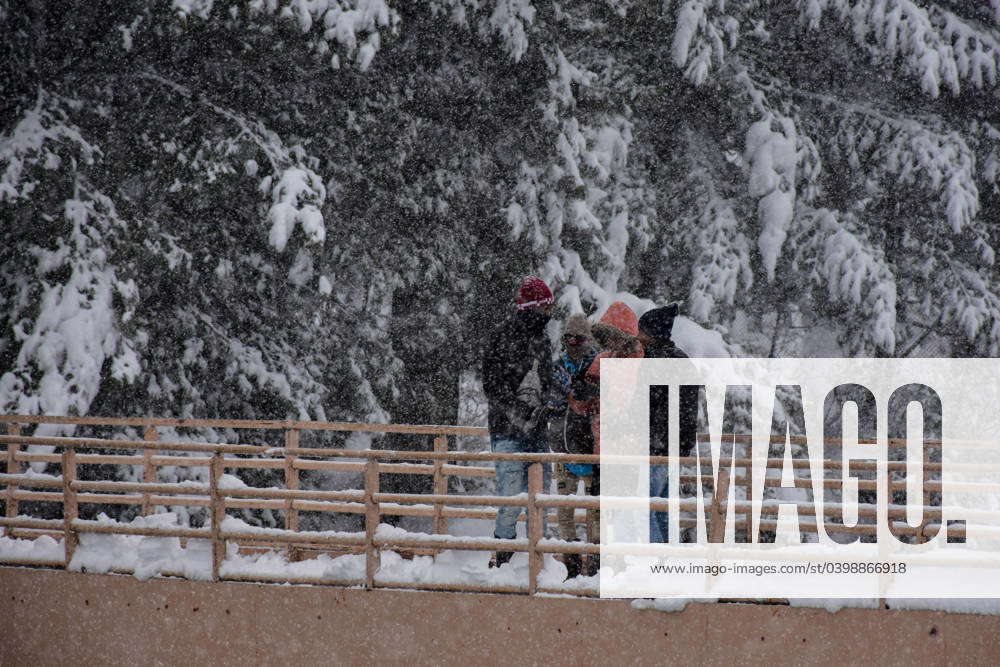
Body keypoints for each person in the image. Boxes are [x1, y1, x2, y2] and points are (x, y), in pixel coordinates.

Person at [482, 276, 557, 569]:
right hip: (507, 430)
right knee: (510, 497)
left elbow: (548, 380)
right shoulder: (500, 337)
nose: (550, 315)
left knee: (541, 498)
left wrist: (549, 402)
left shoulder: (543, 340)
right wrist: (517, 409)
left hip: (538, 432)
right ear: (533, 308)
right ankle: (504, 556)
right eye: (546, 308)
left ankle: (540, 559)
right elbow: (492, 386)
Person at [567, 301, 645, 575]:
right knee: (601, 507)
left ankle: (621, 562)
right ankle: (600, 562)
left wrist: (602, 387)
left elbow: (626, 396)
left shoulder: (639, 359)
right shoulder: (602, 360)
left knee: (623, 508)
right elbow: (584, 405)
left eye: (615, 335)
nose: (611, 341)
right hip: (601, 446)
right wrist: (579, 393)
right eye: (607, 335)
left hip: (627, 446)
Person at [638, 303, 698, 543]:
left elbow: (649, 405)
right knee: (662, 507)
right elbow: (686, 411)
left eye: (642, 331)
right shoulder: (680, 360)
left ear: (652, 333)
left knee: (644, 506)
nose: (638, 336)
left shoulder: (655, 361)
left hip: (657, 446)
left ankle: (655, 558)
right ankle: (669, 557)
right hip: (675, 447)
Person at [548, 313, 598, 579]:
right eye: (569, 337)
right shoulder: (558, 367)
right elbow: (550, 401)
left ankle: (596, 561)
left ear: (588, 339)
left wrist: (586, 393)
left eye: (579, 338)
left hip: (590, 450)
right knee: (564, 510)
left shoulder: (597, 367)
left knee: (595, 510)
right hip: (563, 447)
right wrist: (561, 397)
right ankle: (571, 563)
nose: (573, 343)